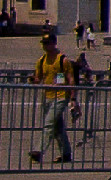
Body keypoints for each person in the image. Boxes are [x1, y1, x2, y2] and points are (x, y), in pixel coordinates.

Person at [29, 31, 77, 164]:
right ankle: (66, 153)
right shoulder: (42, 60)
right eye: (43, 44)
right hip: (48, 96)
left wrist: (73, 99)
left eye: (47, 43)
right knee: (57, 127)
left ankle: (38, 151)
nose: (45, 46)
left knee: (49, 123)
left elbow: (69, 78)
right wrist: (33, 79)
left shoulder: (62, 60)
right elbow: (39, 78)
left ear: (54, 43)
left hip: (61, 96)